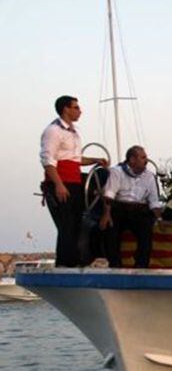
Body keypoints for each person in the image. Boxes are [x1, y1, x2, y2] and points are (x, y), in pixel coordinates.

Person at [40, 95, 108, 266]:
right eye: (76, 107)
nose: (80, 111)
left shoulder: (74, 132)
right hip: (61, 183)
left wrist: (95, 160)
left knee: (77, 223)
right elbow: (48, 160)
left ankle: (76, 259)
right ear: (66, 109)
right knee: (66, 225)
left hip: (75, 182)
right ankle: (65, 262)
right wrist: (58, 184)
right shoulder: (53, 131)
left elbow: (75, 159)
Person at [99, 146, 163, 268]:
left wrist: (159, 219)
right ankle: (115, 266)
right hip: (119, 209)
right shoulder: (117, 172)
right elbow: (109, 195)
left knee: (146, 233)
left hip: (139, 211)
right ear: (132, 159)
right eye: (143, 157)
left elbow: (154, 201)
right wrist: (106, 214)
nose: (146, 160)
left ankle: (141, 266)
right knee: (111, 232)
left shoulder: (149, 176)